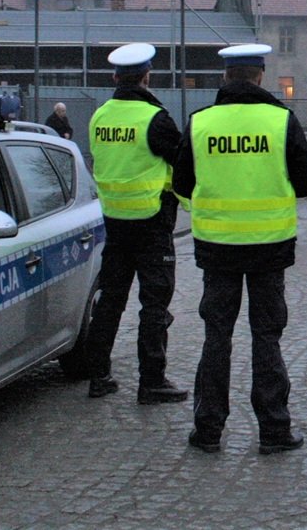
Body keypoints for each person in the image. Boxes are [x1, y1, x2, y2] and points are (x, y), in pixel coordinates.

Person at [172, 43, 307, 455]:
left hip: (217, 249)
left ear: (225, 76)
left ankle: (208, 430)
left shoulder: (200, 123)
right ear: (260, 76)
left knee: (216, 337)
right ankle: (273, 430)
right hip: (269, 249)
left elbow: (181, 185)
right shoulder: (280, 120)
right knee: (266, 337)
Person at [84, 43, 189, 405]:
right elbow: (181, 160)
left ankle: (97, 375)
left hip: (114, 222)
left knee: (110, 300)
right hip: (151, 223)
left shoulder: (99, 116)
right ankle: (152, 381)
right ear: (147, 77)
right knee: (154, 304)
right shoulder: (154, 118)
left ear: (115, 77)